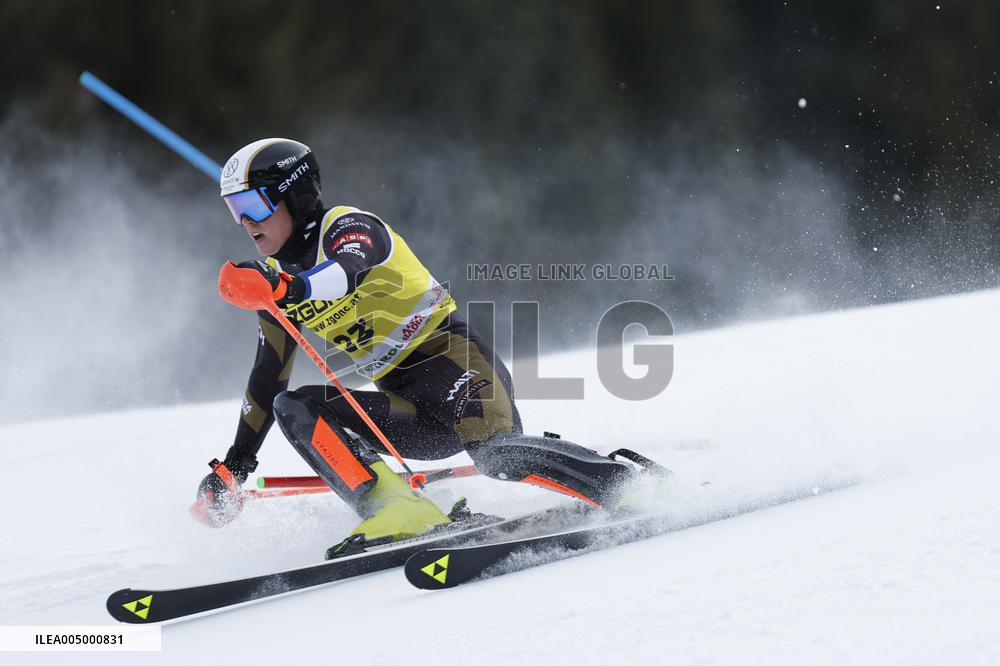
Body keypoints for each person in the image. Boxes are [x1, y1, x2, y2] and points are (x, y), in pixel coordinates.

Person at [191, 138, 653, 552]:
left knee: (498, 457)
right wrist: (234, 466)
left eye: (253, 205)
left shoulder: (348, 227)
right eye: (235, 210)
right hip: (409, 409)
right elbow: (267, 380)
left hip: (460, 370)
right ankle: (397, 510)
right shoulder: (276, 285)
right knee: (295, 404)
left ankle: (625, 486)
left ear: (295, 193)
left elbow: (344, 272)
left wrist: (286, 290)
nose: (245, 224)